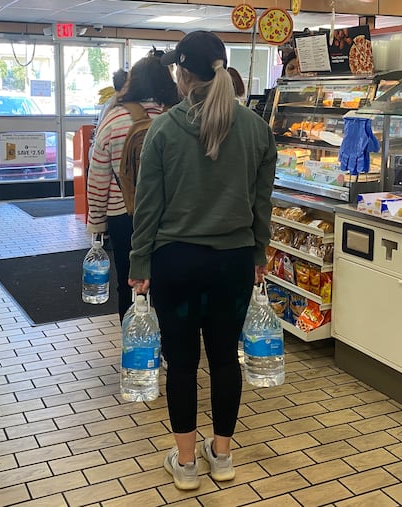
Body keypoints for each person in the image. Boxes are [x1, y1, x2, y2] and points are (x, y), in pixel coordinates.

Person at [128, 31, 276, 490]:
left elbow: (148, 206)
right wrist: (258, 252)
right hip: (232, 262)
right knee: (225, 362)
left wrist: (139, 265)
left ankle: (187, 463)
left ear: (183, 72)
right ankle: (224, 456)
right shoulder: (255, 127)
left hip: (176, 262)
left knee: (183, 361)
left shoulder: (165, 129)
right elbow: (261, 203)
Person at [86, 55, 179, 322]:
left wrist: (97, 222)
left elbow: (99, 174)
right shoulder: (176, 115)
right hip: (170, 216)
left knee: (129, 280)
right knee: (166, 280)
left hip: (123, 214)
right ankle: (167, 341)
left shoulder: (114, 118)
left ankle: (134, 343)